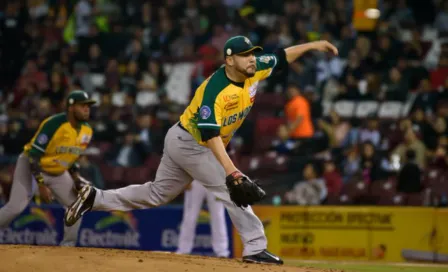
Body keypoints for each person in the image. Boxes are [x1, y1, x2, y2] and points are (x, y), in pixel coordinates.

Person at [64, 36, 338, 264]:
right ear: (229, 60)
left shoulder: (254, 69)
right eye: (245, 55)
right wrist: (232, 172)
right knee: (232, 189)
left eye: (253, 53)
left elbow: (281, 56)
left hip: (183, 138)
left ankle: (94, 199)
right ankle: (255, 246)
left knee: (157, 194)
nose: (252, 58)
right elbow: (210, 135)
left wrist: (315, 45)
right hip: (191, 143)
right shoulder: (216, 90)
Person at [0, 90, 96, 246]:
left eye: (88, 106)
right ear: (71, 107)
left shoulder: (87, 131)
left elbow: (71, 158)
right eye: (83, 106)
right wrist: (41, 184)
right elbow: (34, 155)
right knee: (15, 207)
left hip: (57, 171)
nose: (87, 109)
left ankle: (67, 247)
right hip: (31, 166)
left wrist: (76, 177)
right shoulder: (54, 124)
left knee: (76, 206)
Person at [176, 180, 230, 258]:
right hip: (195, 178)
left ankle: (222, 251)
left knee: (218, 215)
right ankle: (183, 249)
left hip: (214, 179)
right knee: (189, 215)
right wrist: (186, 179)